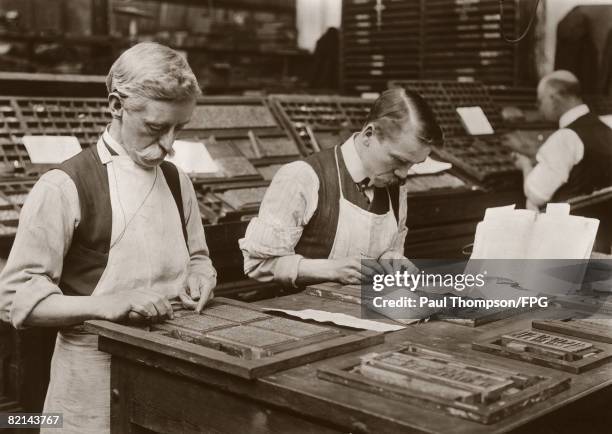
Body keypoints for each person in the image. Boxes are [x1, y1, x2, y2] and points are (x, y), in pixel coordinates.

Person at [0, 42, 217, 433]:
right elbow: (15, 302)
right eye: (155, 127)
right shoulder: (64, 186)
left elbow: (198, 256)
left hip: (173, 366)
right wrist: (106, 304)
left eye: (179, 128)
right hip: (92, 381)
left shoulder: (176, 180)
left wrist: (202, 275)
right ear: (116, 105)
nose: (169, 144)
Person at [239, 88, 443, 287]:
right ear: (368, 135)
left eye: (413, 164)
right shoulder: (302, 177)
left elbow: (387, 249)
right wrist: (331, 269)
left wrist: (390, 259)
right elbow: (258, 264)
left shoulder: (394, 187)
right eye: (398, 160)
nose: (404, 174)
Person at [514, 70, 612, 210]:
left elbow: (536, 194)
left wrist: (525, 165)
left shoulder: (565, 137)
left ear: (554, 98)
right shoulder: (607, 126)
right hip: (606, 223)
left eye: (540, 101)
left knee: (531, 203)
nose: (538, 107)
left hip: (571, 224)